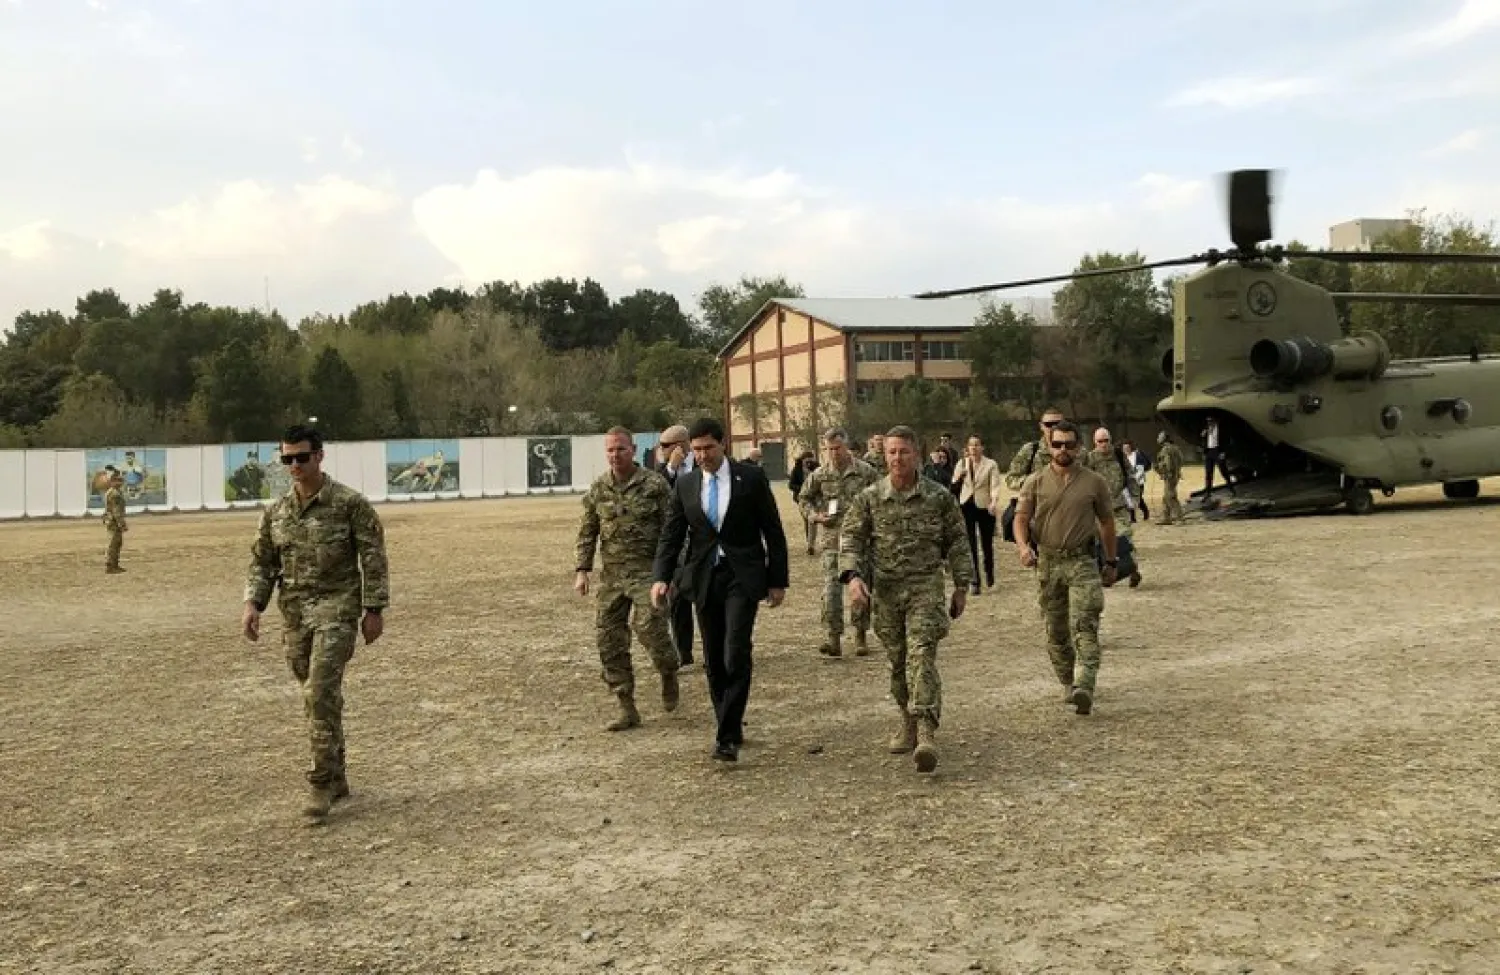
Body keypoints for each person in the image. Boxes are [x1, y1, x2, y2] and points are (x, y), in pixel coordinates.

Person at [242, 424, 390, 824]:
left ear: (319, 456)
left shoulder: (349, 504)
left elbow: (373, 557)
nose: (294, 466)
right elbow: (263, 562)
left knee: (319, 690)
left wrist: (373, 609)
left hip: (337, 609)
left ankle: (320, 782)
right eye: (287, 459)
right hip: (295, 614)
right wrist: (254, 604)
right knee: (319, 697)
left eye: (301, 457)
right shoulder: (276, 513)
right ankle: (338, 773)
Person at [651, 417, 789, 762]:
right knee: (713, 656)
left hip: (742, 576)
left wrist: (777, 580)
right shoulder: (686, 486)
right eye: (695, 450)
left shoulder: (751, 479)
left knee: (735, 651)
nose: (701, 456)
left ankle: (725, 737)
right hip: (704, 577)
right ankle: (727, 720)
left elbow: (772, 530)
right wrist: (661, 577)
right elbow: (671, 535)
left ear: (722, 444)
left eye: (707, 448)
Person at [839, 425, 972, 773]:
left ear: (917, 454)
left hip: (925, 587)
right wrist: (853, 579)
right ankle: (907, 720)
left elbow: (957, 541)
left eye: (904, 452)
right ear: (884, 456)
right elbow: (851, 539)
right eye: (892, 452)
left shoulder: (938, 497)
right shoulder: (870, 497)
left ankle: (927, 730)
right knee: (898, 663)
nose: (898, 458)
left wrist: (961, 586)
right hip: (886, 591)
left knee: (921, 655)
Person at [574, 426, 681, 731]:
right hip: (613, 577)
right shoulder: (599, 489)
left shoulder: (654, 485)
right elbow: (588, 531)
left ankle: (668, 670)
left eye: (621, 449)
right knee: (608, 641)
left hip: (649, 572)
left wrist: (672, 572)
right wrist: (582, 570)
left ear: (633, 450)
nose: (615, 455)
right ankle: (626, 706)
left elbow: (673, 529)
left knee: (649, 628)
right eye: (610, 450)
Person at [1012, 420, 1117, 716]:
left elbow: (1108, 523)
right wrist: (1023, 547)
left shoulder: (1094, 482)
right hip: (1047, 562)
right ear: (1049, 446)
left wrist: (1111, 561)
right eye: (1057, 444)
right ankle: (1068, 682)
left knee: (1085, 622)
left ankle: (1086, 684)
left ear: (1079, 447)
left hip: (1082, 561)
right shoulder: (1034, 481)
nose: (1063, 450)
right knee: (1056, 630)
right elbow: (1020, 519)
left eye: (1069, 444)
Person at [797, 427, 879, 658]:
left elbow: (881, 497)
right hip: (832, 540)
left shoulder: (866, 472)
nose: (833, 453)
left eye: (837, 448)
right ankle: (833, 638)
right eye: (829, 449)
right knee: (831, 591)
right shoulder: (820, 475)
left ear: (846, 446)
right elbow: (804, 498)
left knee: (860, 589)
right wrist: (815, 515)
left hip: (860, 541)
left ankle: (861, 635)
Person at [656, 424, 697, 666]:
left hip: (704, 540)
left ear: (680, 445)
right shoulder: (663, 472)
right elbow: (660, 492)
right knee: (678, 598)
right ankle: (684, 652)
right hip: (679, 545)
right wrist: (671, 467)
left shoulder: (703, 464)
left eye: (665, 445)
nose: (661, 450)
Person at [951, 435, 1003, 594]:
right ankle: (975, 581)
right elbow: (954, 484)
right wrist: (960, 476)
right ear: (967, 448)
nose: (973, 448)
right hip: (967, 504)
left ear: (982, 447)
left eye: (977, 445)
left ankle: (989, 574)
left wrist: (994, 501)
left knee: (986, 543)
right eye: (971, 445)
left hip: (985, 505)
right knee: (970, 543)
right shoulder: (962, 463)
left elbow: (995, 485)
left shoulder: (990, 464)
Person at [787, 449, 819, 555]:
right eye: (807, 461)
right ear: (802, 460)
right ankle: (810, 544)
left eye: (811, 461)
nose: (809, 463)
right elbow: (791, 485)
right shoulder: (796, 470)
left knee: (813, 521)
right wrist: (802, 489)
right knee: (808, 520)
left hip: (816, 498)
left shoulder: (817, 468)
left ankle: (811, 544)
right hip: (802, 499)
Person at [1153, 431, 1185, 524]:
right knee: (1166, 496)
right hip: (1175, 474)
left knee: (1171, 496)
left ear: (1163, 439)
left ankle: (1179, 518)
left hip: (1169, 475)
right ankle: (1166, 517)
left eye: (1159, 437)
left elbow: (1167, 464)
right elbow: (1181, 460)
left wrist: (1159, 469)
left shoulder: (1166, 449)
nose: (1158, 438)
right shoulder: (1175, 448)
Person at [102, 466, 127, 574]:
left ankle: (114, 564)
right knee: (113, 544)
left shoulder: (114, 491)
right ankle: (111, 566)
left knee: (117, 543)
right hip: (114, 522)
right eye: (119, 480)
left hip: (112, 521)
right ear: (113, 481)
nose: (121, 482)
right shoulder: (115, 494)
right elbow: (116, 511)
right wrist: (122, 524)